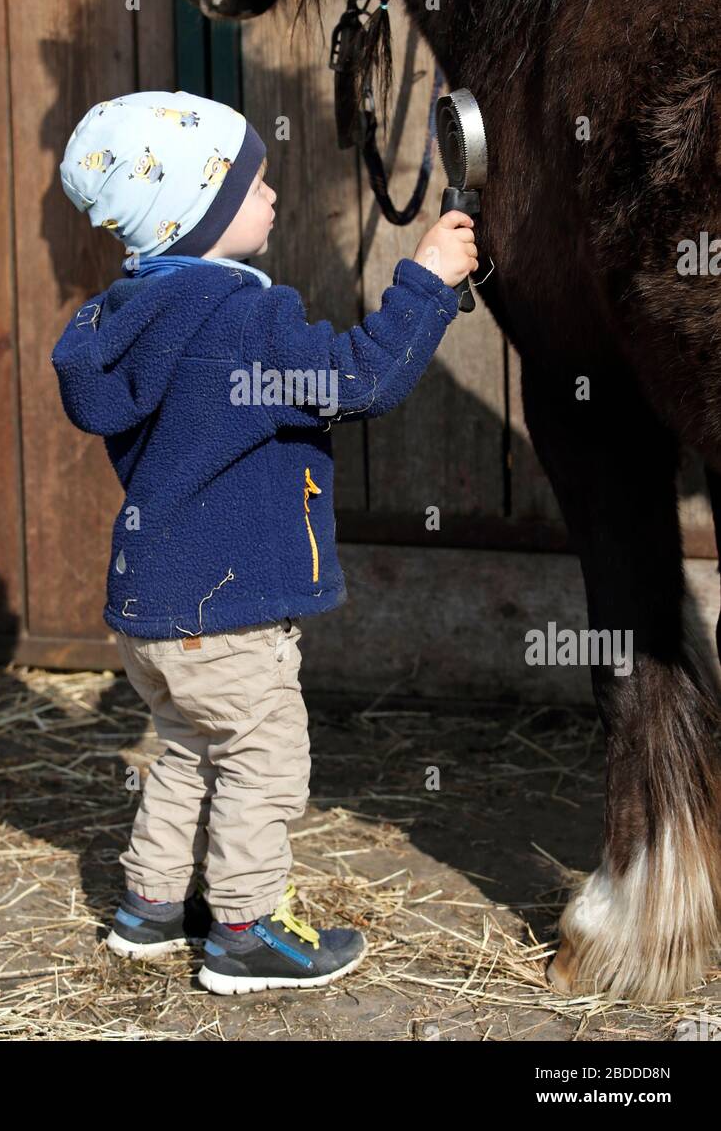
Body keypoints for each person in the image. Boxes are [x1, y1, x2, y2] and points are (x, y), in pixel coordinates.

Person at [51, 89, 477, 994]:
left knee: (185, 746)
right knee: (261, 754)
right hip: (226, 604)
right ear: (194, 214)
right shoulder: (236, 318)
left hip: (152, 605)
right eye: (249, 183)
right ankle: (245, 929)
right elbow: (360, 380)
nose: (273, 192)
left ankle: (151, 908)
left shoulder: (131, 318)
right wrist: (428, 282)